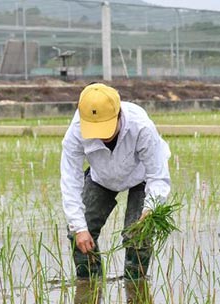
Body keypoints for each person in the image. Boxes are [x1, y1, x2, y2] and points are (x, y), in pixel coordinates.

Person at [61, 83, 171, 280]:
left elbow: (157, 176)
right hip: (101, 176)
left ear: (119, 115)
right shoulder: (76, 131)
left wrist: (150, 209)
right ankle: (89, 286)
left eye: (106, 129)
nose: (101, 136)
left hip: (141, 177)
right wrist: (79, 228)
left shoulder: (141, 126)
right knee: (79, 234)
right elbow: (70, 180)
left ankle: (135, 286)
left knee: (138, 235)